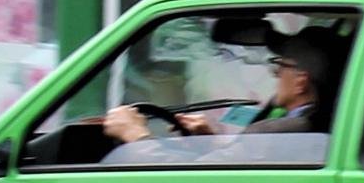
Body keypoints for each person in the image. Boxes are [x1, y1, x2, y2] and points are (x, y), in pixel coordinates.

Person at [101, 31, 335, 153]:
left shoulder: (281, 132)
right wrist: (208, 142)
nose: (274, 74)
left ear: (300, 82)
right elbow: (241, 162)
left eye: (280, 66)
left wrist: (137, 136)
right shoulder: (314, 126)